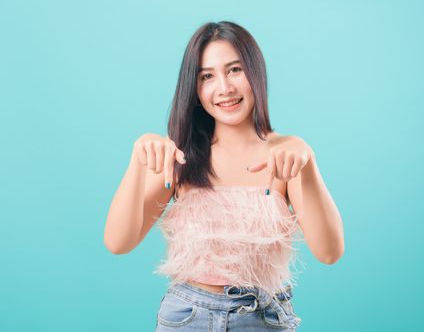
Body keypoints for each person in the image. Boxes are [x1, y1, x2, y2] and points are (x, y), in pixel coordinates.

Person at [104, 21, 344, 331]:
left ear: (255, 72)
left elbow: (329, 252)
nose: (224, 88)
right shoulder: (179, 156)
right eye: (207, 76)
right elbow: (117, 242)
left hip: (263, 318)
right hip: (186, 318)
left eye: (234, 70)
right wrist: (137, 161)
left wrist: (307, 160)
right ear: (194, 87)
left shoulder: (286, 156)